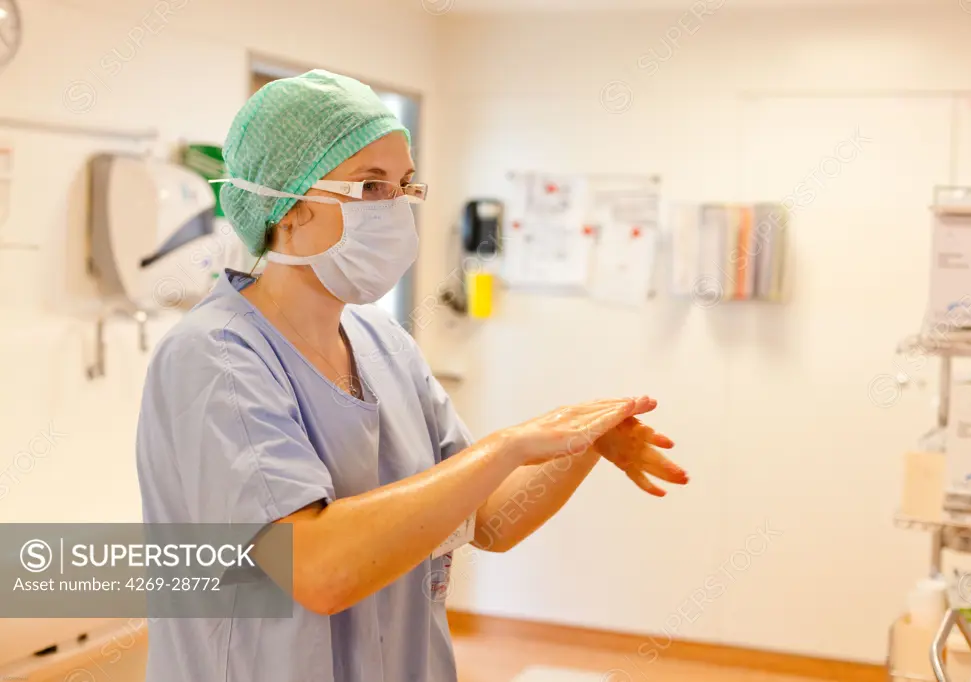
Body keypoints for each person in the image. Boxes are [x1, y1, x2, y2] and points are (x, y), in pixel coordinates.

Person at [135, 69, 688, 682]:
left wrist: (582, 442)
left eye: (404, 185)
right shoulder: (216, 358)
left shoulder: (383, 344)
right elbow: (315, 570)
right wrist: (506, 447)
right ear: (287, 205)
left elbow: (490, 519)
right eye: (370, 187)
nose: (395, 208)